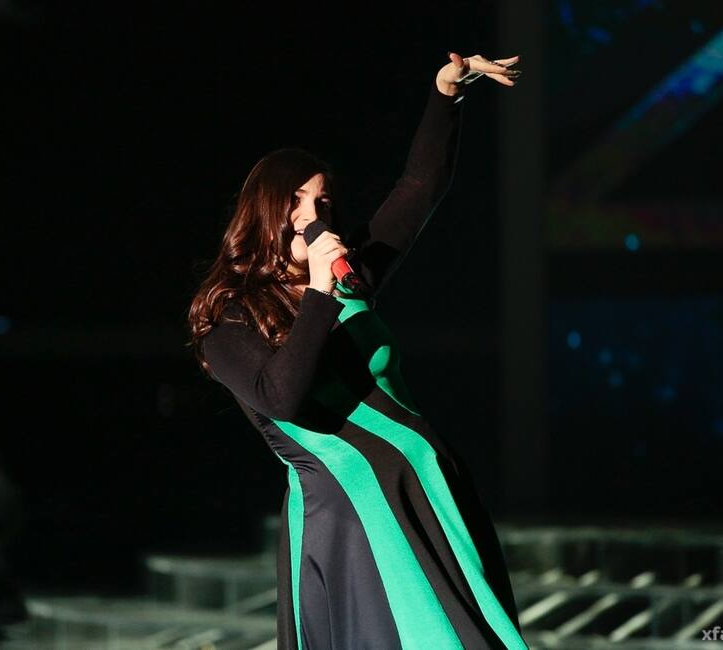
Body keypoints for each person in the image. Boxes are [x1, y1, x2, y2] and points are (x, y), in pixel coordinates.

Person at [187, 52, 526, 649]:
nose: (311, 215)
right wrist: (318, 294)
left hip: (426, 492)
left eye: (322, 202)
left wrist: (445, 94)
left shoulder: (350, 278)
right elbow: (281, 397)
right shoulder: (229, 313)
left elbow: (419, 188)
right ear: (265, 209)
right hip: (352, 519)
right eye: (296, 200)